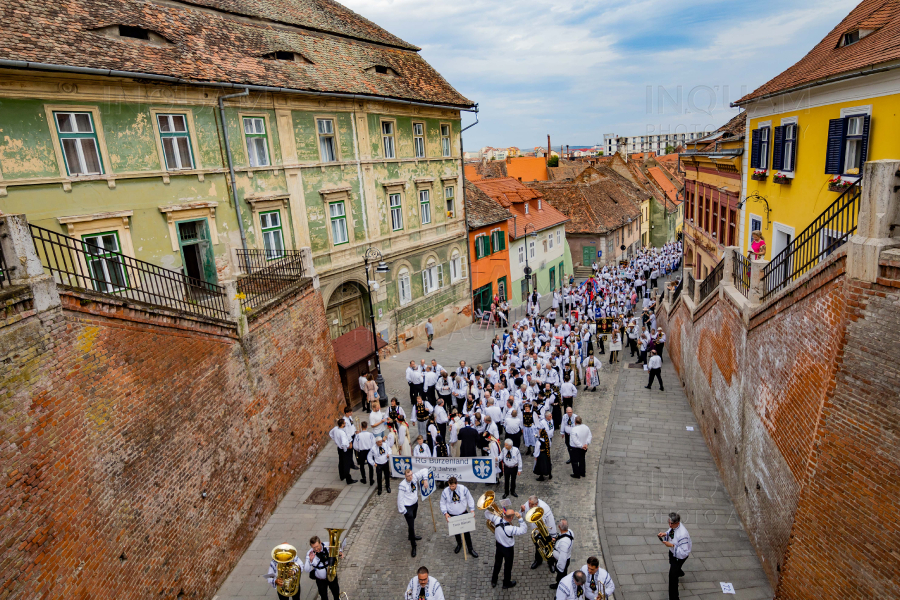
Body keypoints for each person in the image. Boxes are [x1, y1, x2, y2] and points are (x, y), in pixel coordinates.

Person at [487, 508, 527, 589]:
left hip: (499, 546)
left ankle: (494, 580)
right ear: (511, 518)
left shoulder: (497, 519)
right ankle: (506, 583)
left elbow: (486, 514)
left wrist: (491, 509)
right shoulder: (511, 529)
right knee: (508, 566)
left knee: (497, 563)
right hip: (508, 549)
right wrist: (520, 518)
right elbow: (524, 530)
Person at [439, 476, 478, 557]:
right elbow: (442, 503)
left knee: (467, 532)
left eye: (452, 486)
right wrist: (445, 513)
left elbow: (470, 499)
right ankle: (459, 544)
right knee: (456, 532)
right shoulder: (445, 492)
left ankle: (470, 549)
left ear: (456, 484)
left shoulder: (463, 489)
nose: (451, 487)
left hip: (463, 513)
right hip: (452, 515)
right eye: (450, 485)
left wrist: (472, 510)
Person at [658, 512, 692, 600]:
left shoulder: (683, 535)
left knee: (672, 577)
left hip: (678, 557)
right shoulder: (674, 527)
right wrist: (665, 534)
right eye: (668, 522)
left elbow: (684, 552)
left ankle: (674, 598)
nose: (669, 525)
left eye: (671, 523)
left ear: (677, 523)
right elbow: (671, 532)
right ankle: (679, 571)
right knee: (672, 563)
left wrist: (672, 545)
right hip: (673, 553)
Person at [398, 468, 430, 557]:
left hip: (415, 504)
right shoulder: (402, 485)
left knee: (412, 521)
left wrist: (425, 480)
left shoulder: (414, 478)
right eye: (408, 476)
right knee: (411, 526)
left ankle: (410, 536)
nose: (410, 477)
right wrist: (404, 511)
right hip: (408, 508)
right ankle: (413, 545)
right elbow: (400, 499)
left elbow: (424, 470)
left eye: (411, 475)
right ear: (405, 476)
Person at [521, 495, 557, 569]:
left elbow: (550, 522)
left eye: (531, 504)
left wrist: (553, 535)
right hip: (536, 531)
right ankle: (538, 560)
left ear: (536, 504)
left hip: (546, 531)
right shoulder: (528, 504)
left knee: (548, 546)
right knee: (538, 546)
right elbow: (523, 515)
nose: (528, 505)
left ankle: (551, 563)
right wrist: (522, 510)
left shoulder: (545, 508)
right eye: (528, 503)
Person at [304, 535, 344, 600]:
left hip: (331, 575)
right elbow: (306, 570)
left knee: (336, 593)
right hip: (321, 580)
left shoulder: (328, 545)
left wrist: (340, 552)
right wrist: (310, 561)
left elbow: (338, 548)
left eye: (317, 546)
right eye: (314, 547)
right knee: (323, 597)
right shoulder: (310, 553)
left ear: (320, 542)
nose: (316, 549)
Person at [329, 418, 356, 485]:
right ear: (342, 425)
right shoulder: (342, 433)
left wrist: (335, 440)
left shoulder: (335, 429)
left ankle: (342, 476)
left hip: (339, 448)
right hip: (344, 450)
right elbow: (344, 443)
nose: (345, 424)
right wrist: (347, 448)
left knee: (341, 462)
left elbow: (330, 434)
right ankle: (348, 479)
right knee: (346, 465)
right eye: (344, 423)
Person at [550, 519, 574, 589]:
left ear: (559, 527)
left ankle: (560, 587)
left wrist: (559, 568)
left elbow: (562, 558)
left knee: (561, 576)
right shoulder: (570, 532)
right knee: (561, 575)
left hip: (563, 562)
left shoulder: (564, 543)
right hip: (566, 559)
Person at [354, 421, 376, 486]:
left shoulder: (358, 435)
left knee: (362, 466)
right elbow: (374, 443)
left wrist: (358, 449)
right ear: (367, 426)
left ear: (361, 427)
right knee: (370, 466)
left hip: (361, 452)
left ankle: (364, 479)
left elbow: (355, 446)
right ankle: (371, 480)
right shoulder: (370, 434)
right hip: (369, 451)